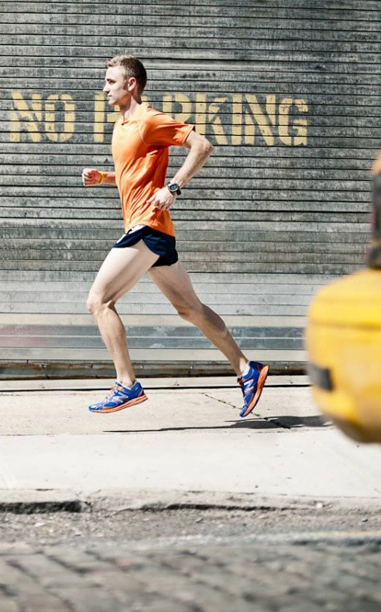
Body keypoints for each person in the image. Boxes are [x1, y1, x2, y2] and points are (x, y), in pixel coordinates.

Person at [82, 55, 269, 417]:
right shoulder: (122, 126)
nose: (104, 88)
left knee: (98, 301)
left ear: (131, 84)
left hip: (148, 225)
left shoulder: (149, 119)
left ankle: (126, 383)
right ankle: (247, 369)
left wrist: (174, 186)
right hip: (154, 231)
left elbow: (202, 146)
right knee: (190, 309)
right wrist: (104, 178)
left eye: (110, 81)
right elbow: (132, 175)